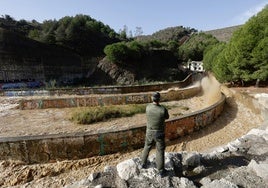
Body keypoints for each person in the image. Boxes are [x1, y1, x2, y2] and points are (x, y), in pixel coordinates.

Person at [140, 91, 169, 176]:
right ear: (159, 99)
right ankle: (160, 170)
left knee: (147, 146)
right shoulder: (163, 109)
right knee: (160, 151)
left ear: (152, 98)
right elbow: (167, 117)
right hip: (159, 133)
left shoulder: (148, 107)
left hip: (149, 132)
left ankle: (143, 163)